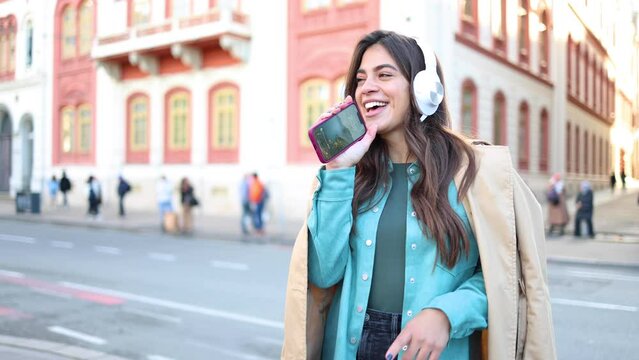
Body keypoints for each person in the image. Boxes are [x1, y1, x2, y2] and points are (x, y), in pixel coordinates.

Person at [281, 30, 556, 359]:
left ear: (425, 89)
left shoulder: (479, 171)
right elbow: (324, 274)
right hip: (350, 348)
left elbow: (508, 276)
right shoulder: (346, 175)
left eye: (385, 74)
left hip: (438, 350)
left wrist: (447, 314)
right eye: (360, 79)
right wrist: (339, 169)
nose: (367, 87)